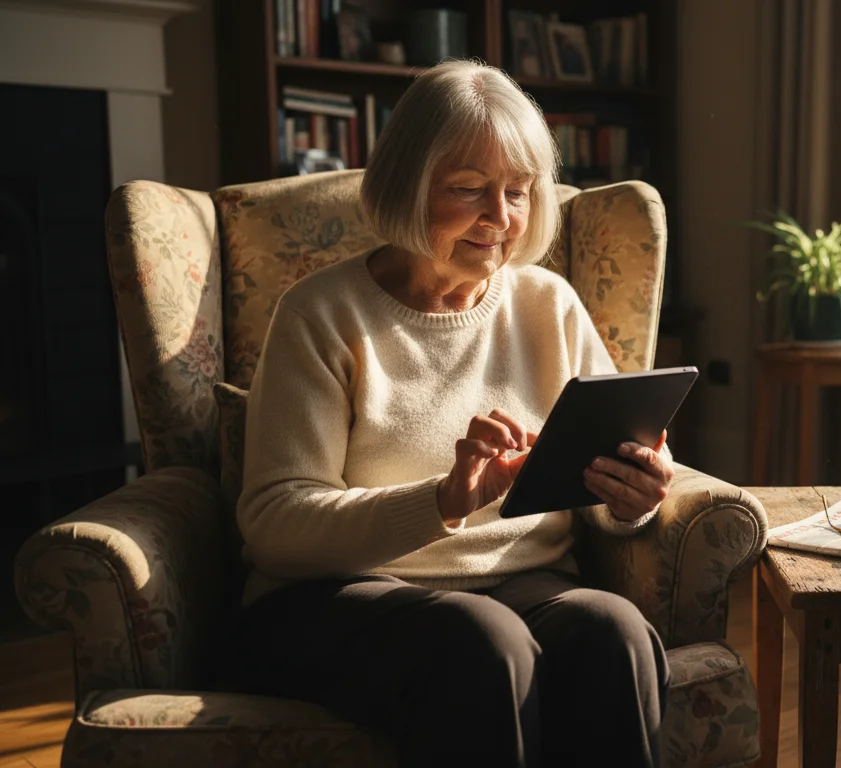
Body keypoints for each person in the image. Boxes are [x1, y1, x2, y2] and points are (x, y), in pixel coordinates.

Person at [226, 60, 672, 768]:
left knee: (611, 631)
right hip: (336, 600)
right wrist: (443, 499)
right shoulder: (321, 315)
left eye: (518, 193)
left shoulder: (547, 303)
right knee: (485, 643)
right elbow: (276, 526)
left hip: (523, 582)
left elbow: (601, 466)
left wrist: (634, 494)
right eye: (469, 191)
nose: (501, 219)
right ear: (407, 183)